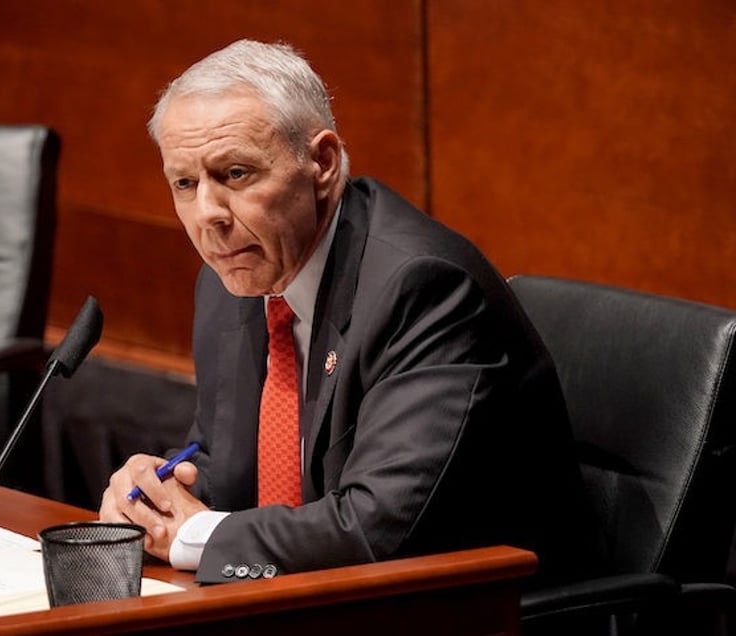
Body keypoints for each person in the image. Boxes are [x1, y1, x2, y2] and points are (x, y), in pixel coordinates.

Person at [99, 38, 603, 586]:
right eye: (185, 183)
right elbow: (231, 462)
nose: (208, 215)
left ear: (321, 162)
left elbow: (377, 527)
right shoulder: (235, 275)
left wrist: (197, 535)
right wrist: (157, 496)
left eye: (237, 174)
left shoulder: (423, 288)